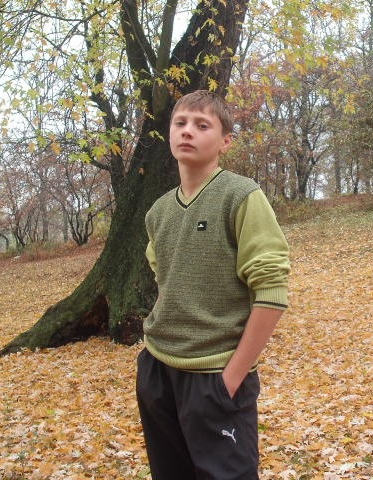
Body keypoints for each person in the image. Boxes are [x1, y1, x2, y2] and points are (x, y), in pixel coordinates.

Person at [137, 90, 290, 480]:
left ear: (225, 141)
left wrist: (232, 377)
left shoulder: (241, 195)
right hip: (157, 371)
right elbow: (164, 279)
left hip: (215, 375)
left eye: (202, 125)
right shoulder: (158, 212)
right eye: (180, 123)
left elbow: (271, 292)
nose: (188, 131)